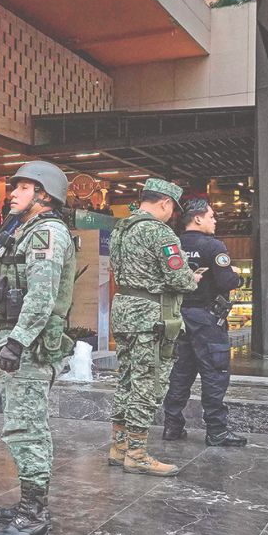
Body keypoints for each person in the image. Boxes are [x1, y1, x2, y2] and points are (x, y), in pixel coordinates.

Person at [0, 161, 77, 535]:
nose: (12, 194)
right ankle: (30, 501)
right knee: (24, 425)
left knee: (27, 429)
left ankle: (33, 515)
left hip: (31, 348)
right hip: (25, 343)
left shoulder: (47, 233)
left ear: (43, 194)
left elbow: (42, 294)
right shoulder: (26, 231)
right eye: (14, 187)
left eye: (22, 187)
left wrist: (17, 342)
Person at [108, 178, 201, 477]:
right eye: (172, 209)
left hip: (123, 312)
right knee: (148, 384)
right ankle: (136, 454)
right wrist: (192, 279)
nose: (172, 215)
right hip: (150, 317)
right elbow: (180, 280)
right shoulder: (159, 232)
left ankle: (118, 447)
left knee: (125, 380)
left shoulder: (122, 229)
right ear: (165, 202)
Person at [161, 198, 245, 447]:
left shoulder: (172, 245)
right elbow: (226, 281)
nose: (215, 220)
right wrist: (237, 278)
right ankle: (216, 431)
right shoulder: (213, 246)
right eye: (211, 216)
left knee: (180, 372)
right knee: (215, 372)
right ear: (197, 218)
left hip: (177, 317)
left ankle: (172, 426)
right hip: (207, 320)